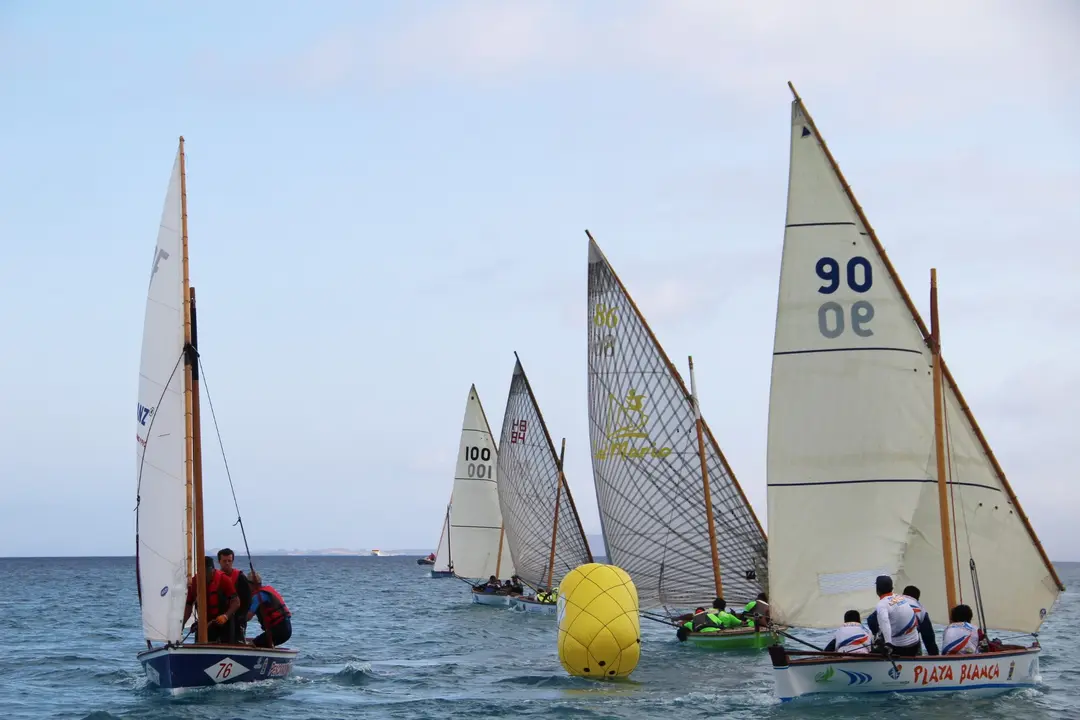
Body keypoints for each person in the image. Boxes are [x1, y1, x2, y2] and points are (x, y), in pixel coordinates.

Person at [182, 556, 241, 643]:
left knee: (225, 644)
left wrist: (225, 616)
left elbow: (236, 602)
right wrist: (181, 625)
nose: (205, 574)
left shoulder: (224, 580)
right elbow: (188, 605)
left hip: (224, 622)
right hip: (205, 624)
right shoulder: (194, 582)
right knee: (200, 644)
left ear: (213, 570)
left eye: (208, 571)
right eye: (202, 571)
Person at [872, 575, 921, 657]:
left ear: (878, 590)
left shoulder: (882, 604)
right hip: (915, 644)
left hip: (900, 648)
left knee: (873, 653)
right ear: (892, 588)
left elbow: (885, 623)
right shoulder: (900, 597)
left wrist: (888, 643)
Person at [246, 570, 292, 648]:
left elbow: (248, 617)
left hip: (279, 630)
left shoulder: (258, 597)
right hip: (287, 628)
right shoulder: (266, 591)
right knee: (264, 643)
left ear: (250, 584)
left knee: (253, 644)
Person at [217, 548, 251, 643]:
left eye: (229, 561)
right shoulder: (216, 577)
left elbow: (247, 600)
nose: (227, 563)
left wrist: (241, 616)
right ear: (219, 561)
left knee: (236, 641)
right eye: (224, 561)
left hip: (237, 618)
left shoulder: (240, 577)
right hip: (220, 617)